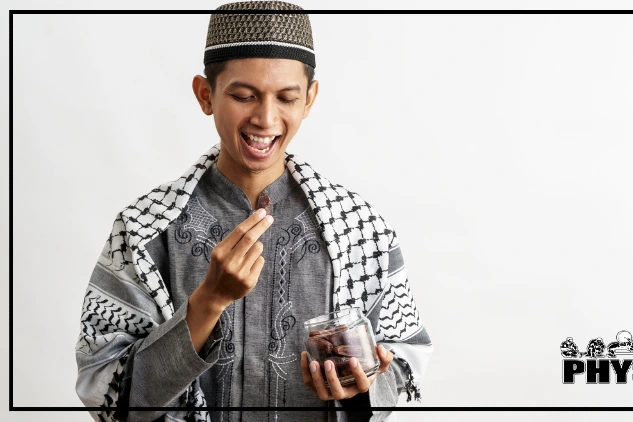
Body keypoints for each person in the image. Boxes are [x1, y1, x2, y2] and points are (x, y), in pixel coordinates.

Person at [74, 2, 433, 421]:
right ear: (205, 95)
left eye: (286, 97)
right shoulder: (143, 230)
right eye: (244, 96)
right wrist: (208, 301)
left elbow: (406, 363)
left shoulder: (360, 231)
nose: (265, 118)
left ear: (310, 99)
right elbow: (108, 393)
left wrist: (359, 390)